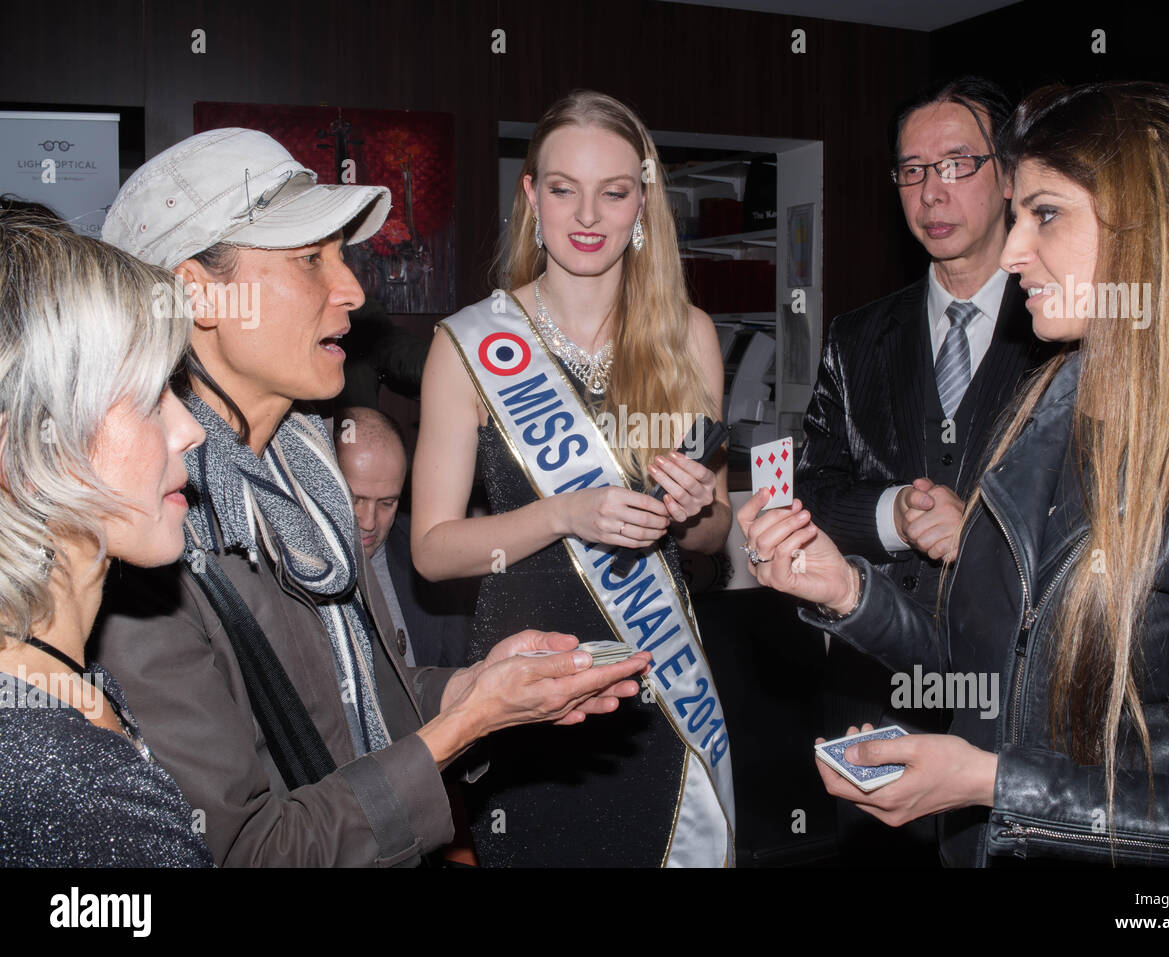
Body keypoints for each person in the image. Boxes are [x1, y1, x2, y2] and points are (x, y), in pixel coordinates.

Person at [738, 81, 1169, 866]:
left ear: (1149, 226)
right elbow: (988, 670)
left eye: (1046, 214)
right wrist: (851, 593)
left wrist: (996, 783)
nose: (1010, 251)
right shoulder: (1044, 404)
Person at [92, 127, 651, 867]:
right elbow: (249, 852)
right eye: (308, 260)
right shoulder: (148, 540)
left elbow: (358, 717)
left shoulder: (312, 478)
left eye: (340, 256)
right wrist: (468, 725)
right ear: (200, 293)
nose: (352, 288)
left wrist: (479, 687)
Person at [411, 90, 735, 867]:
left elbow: (717, 532)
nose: (588, 215)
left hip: (657, 682)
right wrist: (564, 513)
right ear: (531, 196)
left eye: (614, 191)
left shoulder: (688, 337)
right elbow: (431, 548)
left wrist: (694, 512)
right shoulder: (467, 345)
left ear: (643, 202)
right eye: (563, 189)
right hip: (526, 685)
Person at [795, 76, 1055, 860]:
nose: (931, 191)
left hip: (1019, 693)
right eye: (912, 170)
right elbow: (811, 488)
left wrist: (979, 527)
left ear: (1009, 177)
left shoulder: (1062, 328)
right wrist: (892, 517)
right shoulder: (855, 337)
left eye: (956, 163)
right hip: (877, 685)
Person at [0, 217, 210, 866]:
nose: (190, 430)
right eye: (153, 397)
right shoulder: (82, 796)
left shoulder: (46, 697)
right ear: (34, 449)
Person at [335, 406, 472, 668]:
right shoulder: (290, 567)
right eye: (354, 499)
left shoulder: (430, 556)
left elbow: (458, 668)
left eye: (387, 503)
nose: (369, 521)